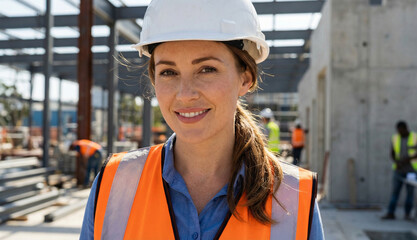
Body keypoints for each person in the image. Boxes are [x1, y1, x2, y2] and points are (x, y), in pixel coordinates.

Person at [80, 0, 324, 239]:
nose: (185, 94)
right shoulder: (113, 184)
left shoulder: (293, 196)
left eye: (207, 69)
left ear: (245, 78)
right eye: (168, 72)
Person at [381, 121, 417, 220]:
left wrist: (407, 160)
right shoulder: (395, 138)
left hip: (411, 171)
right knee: (395, 193)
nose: (400, 132)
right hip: (399, 171)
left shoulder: (415, 137)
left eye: (401, 130)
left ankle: (407, 214)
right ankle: (391, 213)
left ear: (406, 128)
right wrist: (397, 162)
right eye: (398, 130)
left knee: (410, 194)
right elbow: (392, 153)